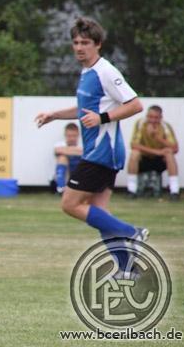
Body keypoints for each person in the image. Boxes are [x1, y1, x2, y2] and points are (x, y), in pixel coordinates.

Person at [35, 17, 147, 279]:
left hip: (103, 152)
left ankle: (131, 232)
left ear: (98, 44)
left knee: (70, 204)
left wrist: (103, 119)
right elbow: (86, 110)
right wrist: (55, 115)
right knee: (99, 212)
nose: (79, 47)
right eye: (75, 42)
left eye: (85, 43)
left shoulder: (105, 71)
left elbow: (134, 105)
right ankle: (127, 269)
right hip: (100, 152)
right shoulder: (87, 72)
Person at [126, 105, 180, 200]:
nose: (153, 120)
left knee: (169, 153)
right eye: (150, 117)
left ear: (161, 118)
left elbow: (175, 148)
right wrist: (157, 152)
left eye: (156, 118)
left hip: (160, 161)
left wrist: (157, 138)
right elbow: (133, 145)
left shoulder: (165, 126)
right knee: (134, 153)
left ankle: (174, 191)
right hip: (144, 159)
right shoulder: (140, 123)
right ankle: (131, 190)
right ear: (147, 116)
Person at [52, 122, 82, 194]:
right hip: (66, 174)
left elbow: (84, 153)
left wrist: (66, 150)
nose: (72, 138)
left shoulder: (82, 144)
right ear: (65, 135)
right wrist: (76, 151)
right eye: (69, 136)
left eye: (74, 136)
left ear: (78, 135)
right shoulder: (59, 144)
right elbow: (57, 150)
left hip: (79, 174)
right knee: (62, 158)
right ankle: (61, 188)